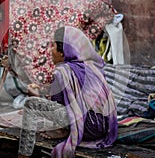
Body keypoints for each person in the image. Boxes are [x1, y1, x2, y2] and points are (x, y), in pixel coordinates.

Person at [18, 26, 118, 158]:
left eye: (53, 45)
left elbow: (57, 103)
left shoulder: (62, 71)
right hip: (104, 127)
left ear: (63, 52)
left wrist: (36, 94)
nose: (50, 50)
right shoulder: (92, 66)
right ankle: (64, 130)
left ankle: (24, 154)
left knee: (31, 104)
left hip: (88, 127)